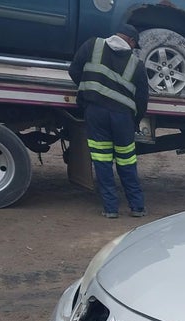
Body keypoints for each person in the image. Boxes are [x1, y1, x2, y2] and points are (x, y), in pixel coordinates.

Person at [69, 25, 149, 219]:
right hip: (123, 118)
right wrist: (134, 120)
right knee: (127, 162)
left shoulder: (92, 45)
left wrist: (88, 91)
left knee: (102, 161)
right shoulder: (136, 64)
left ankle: (111, 208)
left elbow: (74, 70)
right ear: (131, 41)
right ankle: (137, 207)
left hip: (95, 113)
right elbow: (142, 99)